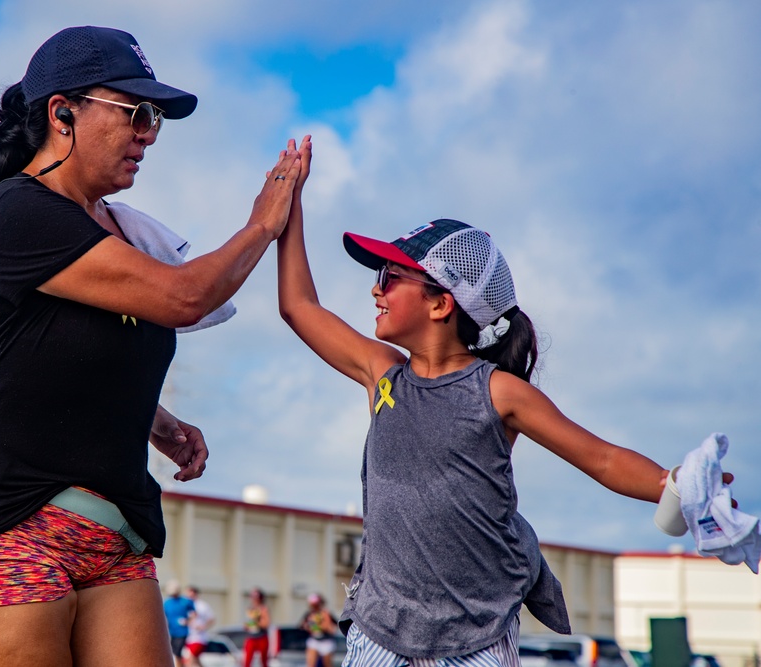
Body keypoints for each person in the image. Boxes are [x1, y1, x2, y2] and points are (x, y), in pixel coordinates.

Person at [0, 25, 300, 667]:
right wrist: (263, 224)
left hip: (113, 533)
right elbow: (184, 297)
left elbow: (60, 352)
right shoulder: (16, 211)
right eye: (136, 112)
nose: (149, 132)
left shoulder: (121, 229)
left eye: (157, 119)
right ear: (62, 113)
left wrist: (157, 421)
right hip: (2, 529)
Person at [275, 136, 736, 666]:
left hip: (476, 638)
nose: (375, 290)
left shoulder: (496, 390)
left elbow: (602, 458)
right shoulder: (384, 375)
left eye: (390, 277)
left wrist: (673, 484)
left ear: (441, 303)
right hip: (380, 633)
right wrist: (289, 205)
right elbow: (299, 306)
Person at [163, 581, 195, 667]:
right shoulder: (167, 603)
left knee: (177, 652)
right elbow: (164, 616)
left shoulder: (185, 601)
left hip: (182, 632)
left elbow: (194, 613)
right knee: (174, 653)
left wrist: (188, 621)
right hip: (171, 632)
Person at [300, 593, 337, 667]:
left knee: (327, 663)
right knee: (311, 662)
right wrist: (310, 626)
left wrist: (320, 626)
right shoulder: (310, 614)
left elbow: (331, 626)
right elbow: (303, 625)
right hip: (314, 640)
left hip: (326, 641)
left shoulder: (326, 613)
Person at [183, 586, 215, 667]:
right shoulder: (185, 605)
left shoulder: (202, 605)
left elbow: (211, 619)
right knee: (196, 661)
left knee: (190, 660)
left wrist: (204, 627)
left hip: (199, 638)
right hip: (189, 638)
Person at [243, 587, 270, 667]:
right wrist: (248, 625)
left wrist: (257, 621)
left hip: (261, 637)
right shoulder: (250, 609)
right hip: (251, 636)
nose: (253, 599)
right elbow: (247, 625)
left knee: (263, 661)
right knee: (247, 661)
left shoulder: (263, 609)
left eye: (256, 597)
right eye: (252, 596)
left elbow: (266, 624)